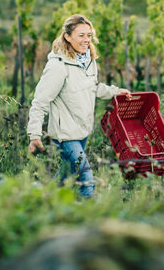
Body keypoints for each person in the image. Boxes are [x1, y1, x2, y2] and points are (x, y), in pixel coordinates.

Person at [27, 14, 130, 198]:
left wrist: (115, 91)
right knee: (86, 175)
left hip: (82, 129)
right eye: (81, 35)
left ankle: (42, 200)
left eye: (89, 35)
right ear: (67, 36)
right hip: (65, 134)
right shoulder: (58, 66)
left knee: (66, 174)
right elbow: (40, 100)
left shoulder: (88, 60)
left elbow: (94, 87)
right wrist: (34, 134)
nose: (86, 40)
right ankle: (88, 214)